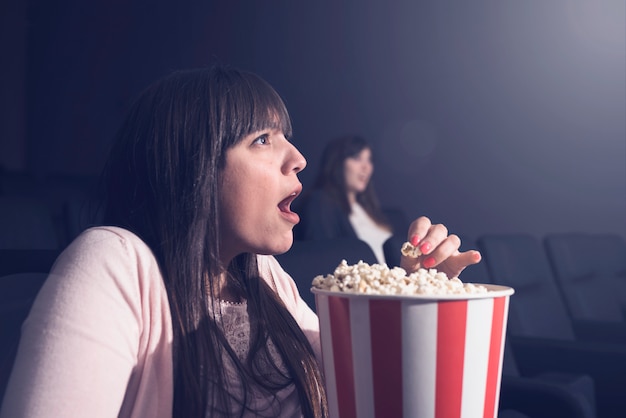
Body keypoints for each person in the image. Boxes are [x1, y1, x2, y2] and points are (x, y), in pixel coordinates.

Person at [0, 66, 481, 418]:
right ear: (193, 166)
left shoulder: (264, 277)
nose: (297, 159)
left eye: (286, 138)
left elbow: (366, 399)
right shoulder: (112, 261)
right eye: (262, 140)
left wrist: (413, 303)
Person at [295, 134, 405, 266]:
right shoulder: (320, 203)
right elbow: (324, 259)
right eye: (357, 158)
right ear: (338, 163)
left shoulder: (371, 212)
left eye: (369, 160)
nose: (366, 167)